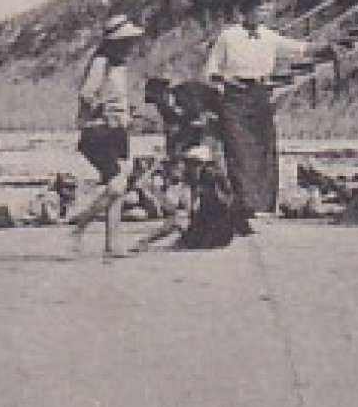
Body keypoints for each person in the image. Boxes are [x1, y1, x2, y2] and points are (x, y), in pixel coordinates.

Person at [202, 0, 335, 224]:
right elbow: (211, 70)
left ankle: (264, 204)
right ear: (247, 11)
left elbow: (299, 48)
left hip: (260, 94)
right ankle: (244, 205)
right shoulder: (228, 37)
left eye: (266, 10)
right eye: (260, 9)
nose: (264, 14)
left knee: (264, 147)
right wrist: (225, 85)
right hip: (235, 97)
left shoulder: (269, 36)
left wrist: (327, 47)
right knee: (239, 150)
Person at [69, 14, 144, 258]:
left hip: (118, 130)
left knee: (119, 189)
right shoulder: (101, 62)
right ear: (114, 42)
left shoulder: (119, 65)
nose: (130, 46)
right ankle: (81, 223)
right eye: (126, 41)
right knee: (116, 186)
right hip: (98, 130)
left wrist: (127, 112)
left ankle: (112, 244)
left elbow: (115, 96)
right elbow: (86, 95)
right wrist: (106, 111)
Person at [133, 144, 238, 252]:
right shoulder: (213, 179)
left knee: (179, 219)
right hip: (221, 235)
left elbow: (189, 212)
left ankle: (145, 243)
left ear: (201, 164)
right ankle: (146, 243)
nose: (187, 166)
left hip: (212, 233)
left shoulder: (207, 181)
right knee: (179, 219)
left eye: (191, 163)